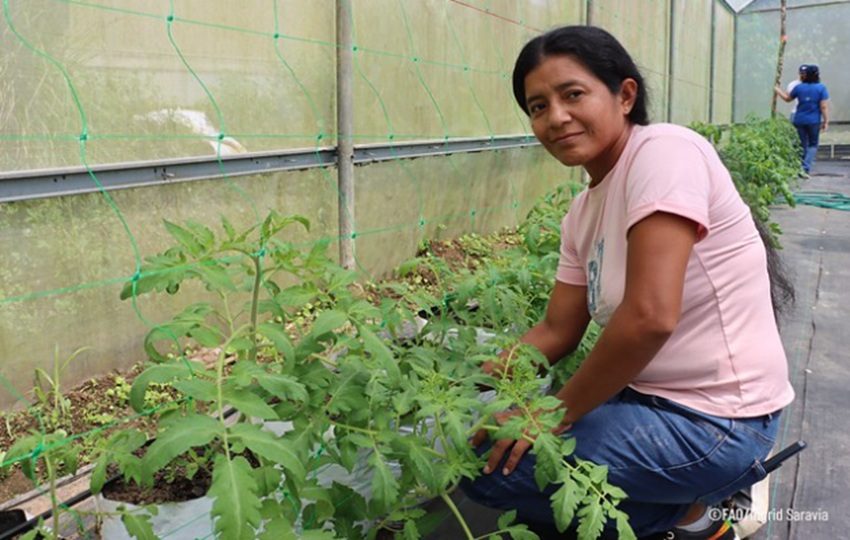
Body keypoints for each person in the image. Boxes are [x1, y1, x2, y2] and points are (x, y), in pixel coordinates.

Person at [461, 25, 795, 539]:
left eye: (572, 94)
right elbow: (556, 329)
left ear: (624, 94)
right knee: (502, 450)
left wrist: (549, 416)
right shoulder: (583, 211)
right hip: (647, 399)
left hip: (718, 421)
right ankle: (683, 495)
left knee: (496, 470)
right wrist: (474, 381)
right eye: (537, 107)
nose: (556, 117)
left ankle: (701, 515)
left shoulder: (665, 153)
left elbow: (649, 317)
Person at [775, 64, 830, 176]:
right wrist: (826, 121)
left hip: (799, 119)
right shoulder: (821, 88)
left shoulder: (799, 88)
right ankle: (805, 168)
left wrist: (776, 89)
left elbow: (787, 98)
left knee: (802, 144)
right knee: (813, 145)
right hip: (814, 121)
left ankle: (800, 166)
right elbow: (823, 106)